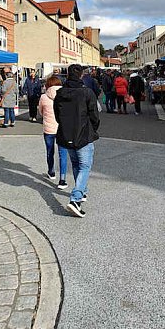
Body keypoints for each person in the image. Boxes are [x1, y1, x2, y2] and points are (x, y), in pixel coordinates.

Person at [54, 64, 100, 218]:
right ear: (81, 75)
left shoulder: (60, 93)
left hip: (66, 134)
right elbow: (94, 115)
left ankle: (82, 191)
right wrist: (93, 128)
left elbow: (57, 115)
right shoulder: (87, 92)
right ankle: (76, 199)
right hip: (83, 134)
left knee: (76, 164)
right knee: (85, 166)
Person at [39, 75, 68, 187]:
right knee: (63, 154)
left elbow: (40, 112)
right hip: (62, 128)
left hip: (48, 128)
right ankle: (62, 179)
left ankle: (51, 172)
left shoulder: (43, 97)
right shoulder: (64, 95)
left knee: (50, 151)